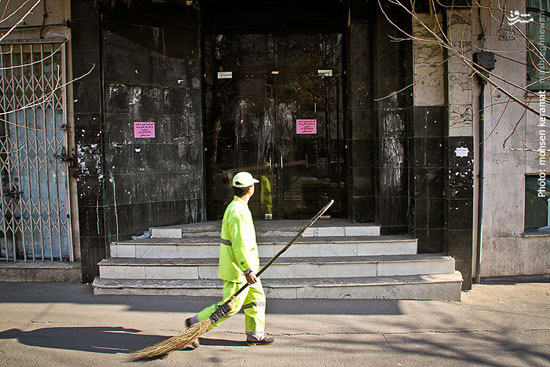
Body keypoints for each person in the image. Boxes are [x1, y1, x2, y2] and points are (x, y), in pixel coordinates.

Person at [185, 172, 275, 347]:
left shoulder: (239, 208)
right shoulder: (237, 211)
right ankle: (195, 324)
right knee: (230, 306)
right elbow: (239, 244)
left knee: (256, 300)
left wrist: (251, 269)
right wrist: (247, 269)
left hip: (248, 269)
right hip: (239, 271)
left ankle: (255, 335)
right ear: (251, 189)